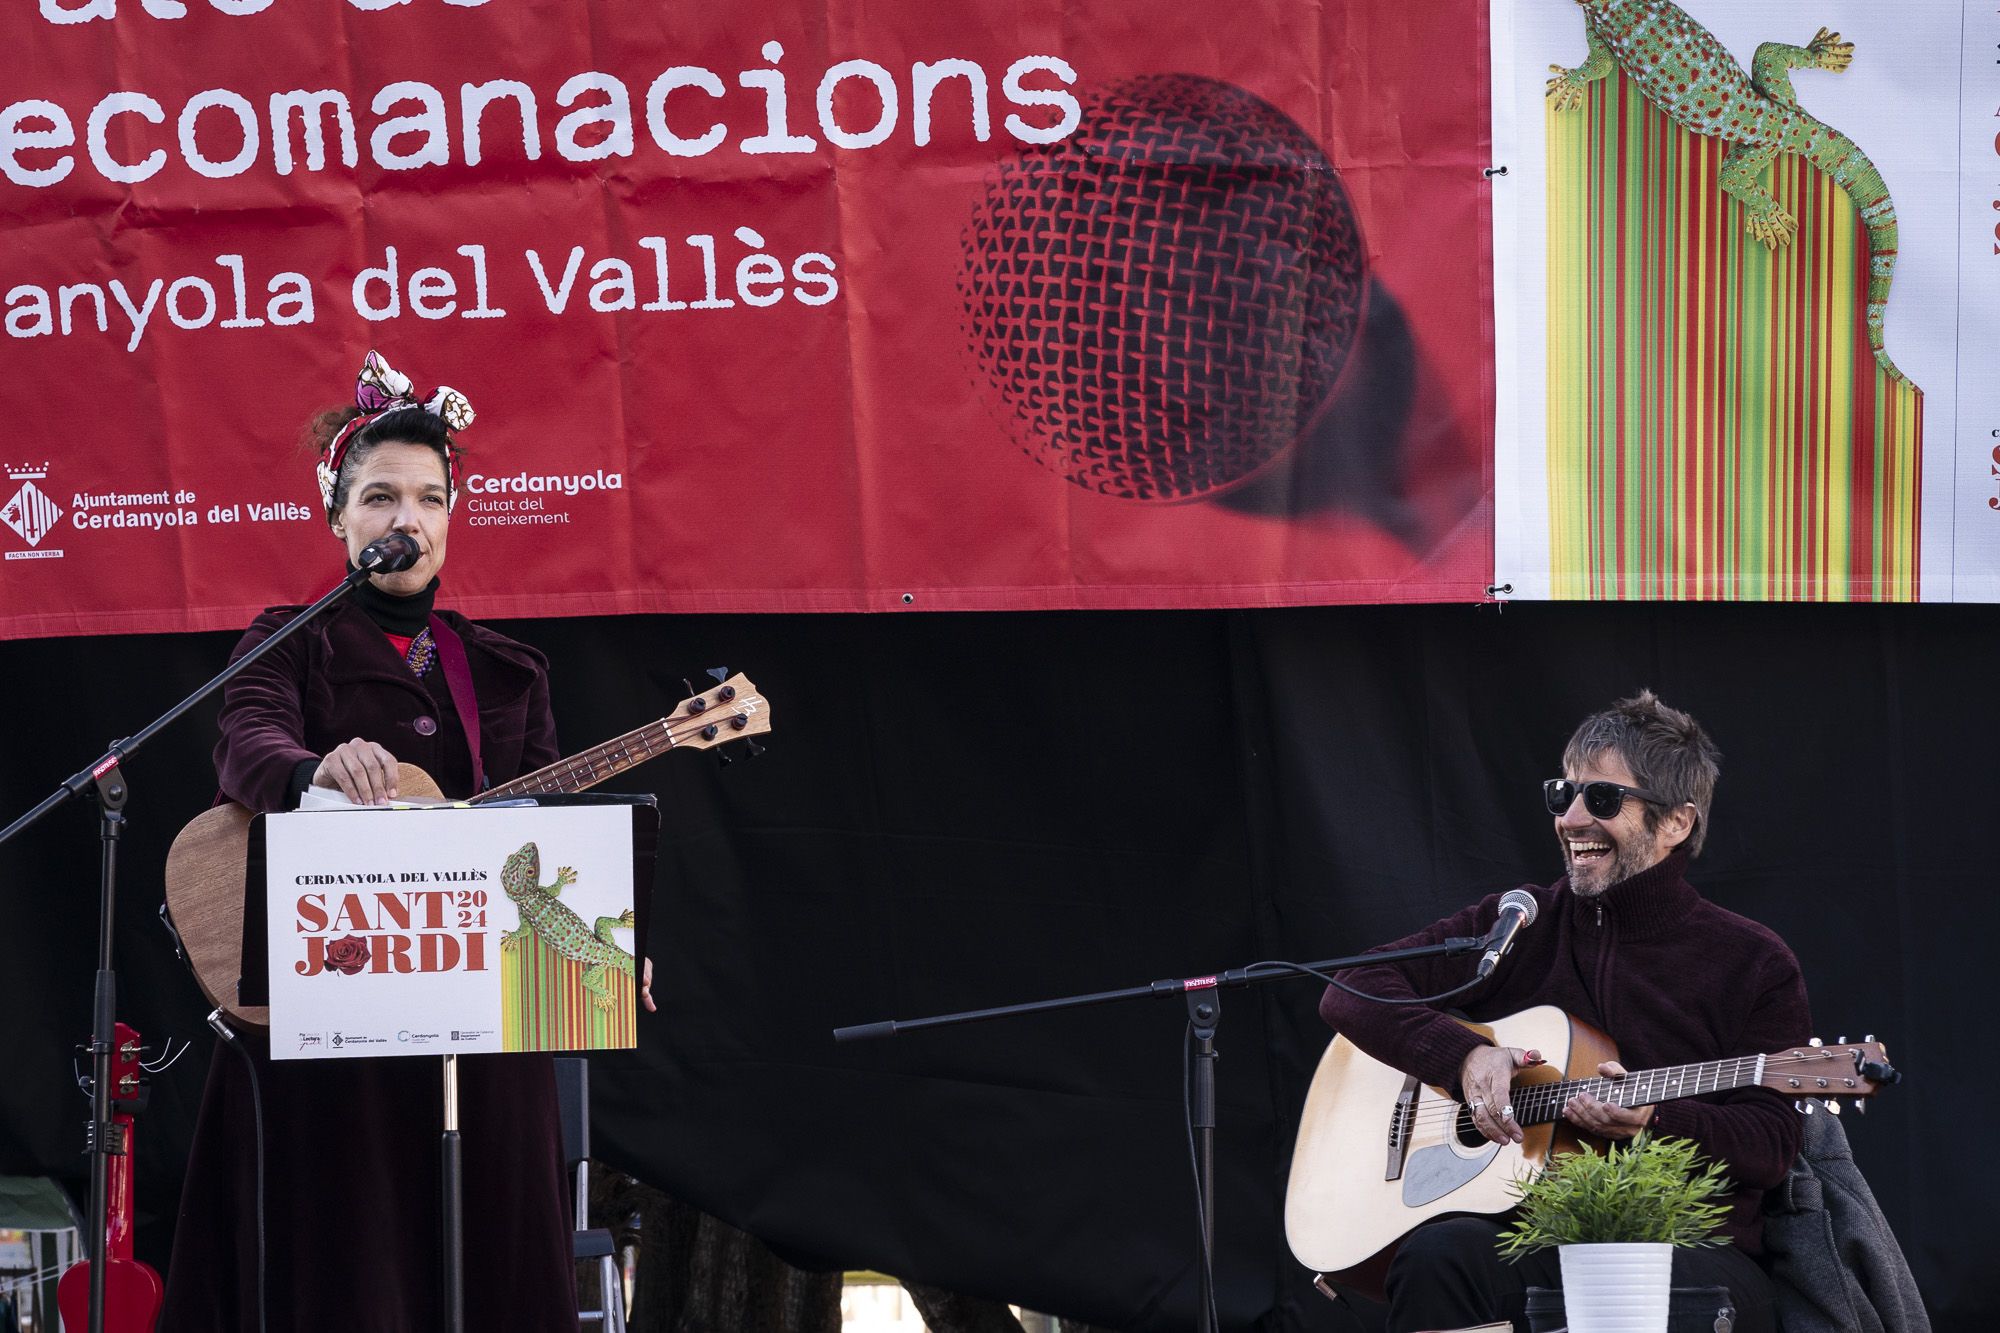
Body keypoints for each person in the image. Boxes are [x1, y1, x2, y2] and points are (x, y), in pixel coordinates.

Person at [161, 351, 629, 1332]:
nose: (403, 518)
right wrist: (311, 770)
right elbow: (245, 736)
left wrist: (600, 941)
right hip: (335, 1006)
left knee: (489, 1252)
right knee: (347, 1255)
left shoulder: (504, 671)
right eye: (378, 497)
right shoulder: (288, 639)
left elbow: (534, 839)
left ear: (451, 517)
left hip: (478, 1009)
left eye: (426, 497)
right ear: (338, 518)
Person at [1317, 691, 1810, 1333]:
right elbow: (1354, 986)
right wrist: (1462, 1056)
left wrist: (1655, 1118)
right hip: (1529, 1230)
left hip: (1689, 1245)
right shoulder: (1521, 921)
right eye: (1563, 794)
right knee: (1441, 1257)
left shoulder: (1753, 960)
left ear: (1676, 824)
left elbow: (1771, 1146)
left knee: (1634, 1299)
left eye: (1601, 799)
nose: (1572, 819)